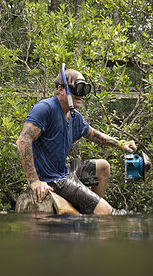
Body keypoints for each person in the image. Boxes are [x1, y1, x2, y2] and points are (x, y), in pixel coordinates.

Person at [16, 68, 136, 215]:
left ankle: (90, 210)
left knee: (103, 166)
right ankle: (99, 210)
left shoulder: (74, 116)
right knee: (108, 211)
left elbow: (93, 134)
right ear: (61, 89)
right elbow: (23, 141)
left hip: (63, 171)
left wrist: (119, 143)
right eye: (77, 89)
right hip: (52, 179)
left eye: (84, 90)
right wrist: (34, 181)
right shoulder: (45, 109)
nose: (80, 95)